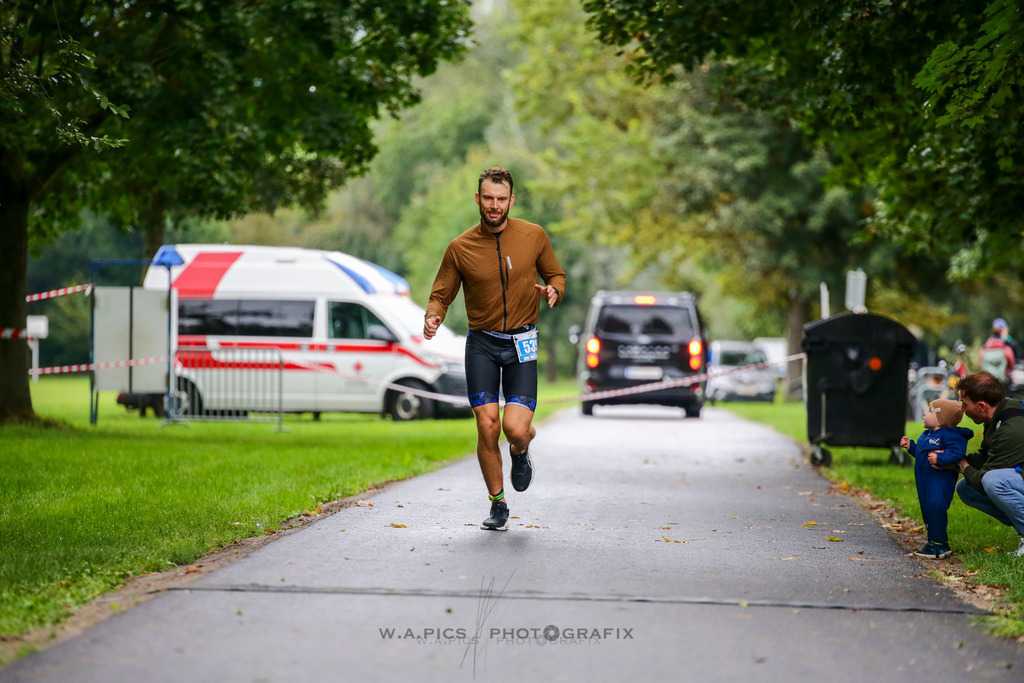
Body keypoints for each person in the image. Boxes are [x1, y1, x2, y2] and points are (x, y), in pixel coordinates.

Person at [423, 167, 565, 531]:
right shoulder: (460, 247)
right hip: (482, 343)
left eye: (501, 199)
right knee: (487, 426)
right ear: (478, 199)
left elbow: (556, 274)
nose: (494, 206)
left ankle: (521, 449)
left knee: (514, 429)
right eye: (488, 198)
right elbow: (441, 294)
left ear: (511, 201)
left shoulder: (533, 235)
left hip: (522, 342)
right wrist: (434, 316)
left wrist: (553, 290)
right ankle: (498, 504)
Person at [953, 371, 1024, 557]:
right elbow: (985, 458)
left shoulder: (1011, 429)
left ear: (982, 406)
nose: (962, 409)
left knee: (994, 481)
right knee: (965, 488)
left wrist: (963, 466)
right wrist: (953, 458)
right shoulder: (996, 416)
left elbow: (984, 477)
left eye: (965, 404)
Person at [900, 399, 974, 559]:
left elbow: (957, 453)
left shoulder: (952, 436)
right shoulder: (927, 435)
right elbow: (921, 452)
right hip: (924, 480)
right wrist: (911, 446)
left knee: (936, 506)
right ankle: (937, 542)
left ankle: (938, 545)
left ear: (941, 419)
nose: (925, 414)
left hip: (940, 481)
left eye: (930, 412)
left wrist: (940, 459)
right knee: (927, 510)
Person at [979, 319, 1016, 384]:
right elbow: (1011, 366)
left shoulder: (983, 349)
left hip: (987, 384)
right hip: (1002, 384)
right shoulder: (1007, 349)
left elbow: (980, 364)